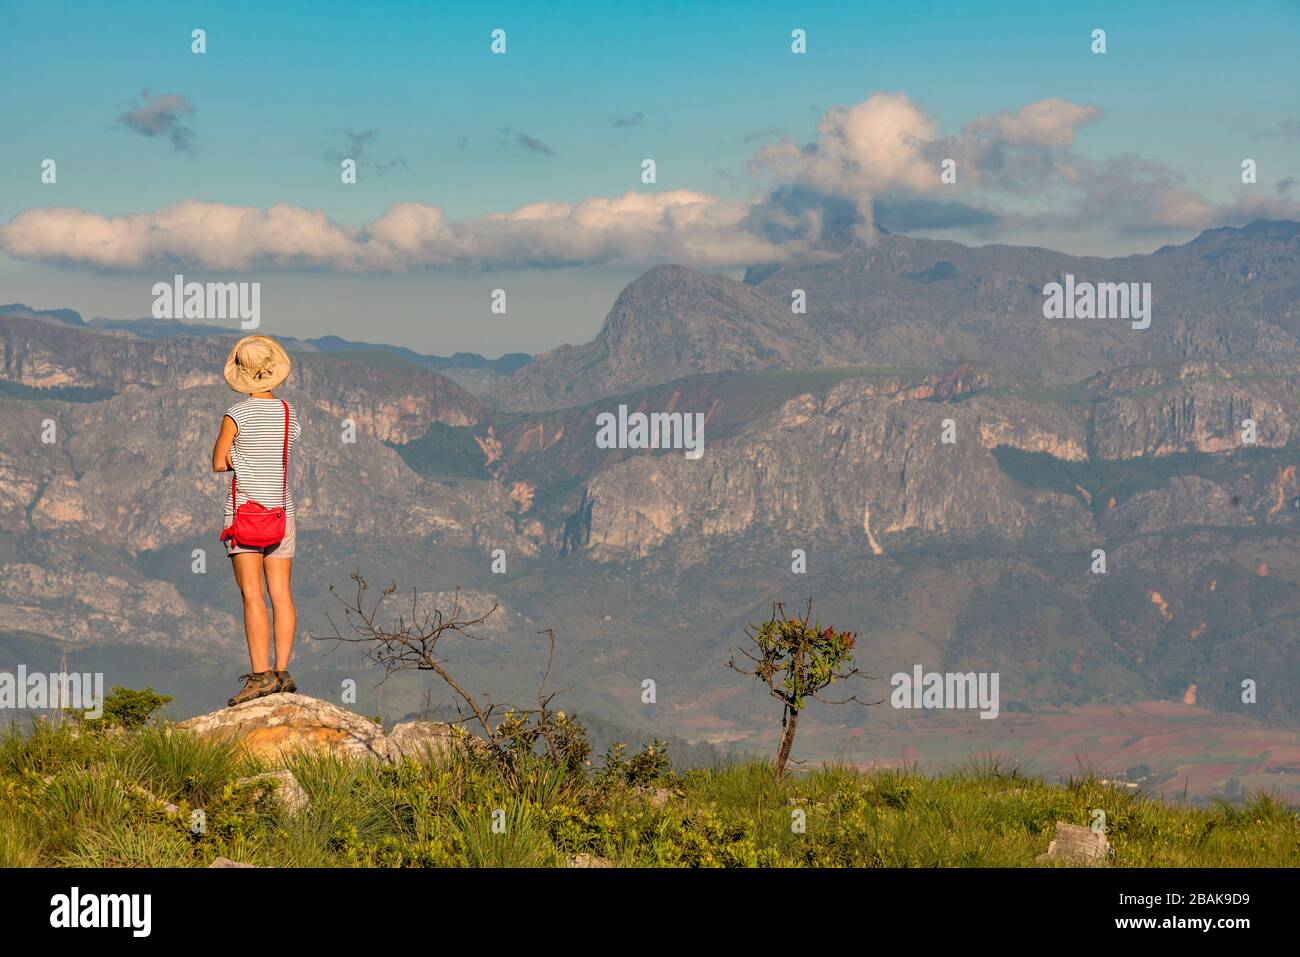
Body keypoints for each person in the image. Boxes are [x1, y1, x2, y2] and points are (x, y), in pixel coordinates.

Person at [211, 335, 302, 707]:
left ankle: (260, 676)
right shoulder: (287, 413)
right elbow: (281, 453)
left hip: (246, 514)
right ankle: (282, 672)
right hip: (282, 513)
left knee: (252, 594)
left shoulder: (237, 414)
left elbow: (218, 462)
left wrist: (238, 458)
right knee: (281, 593)